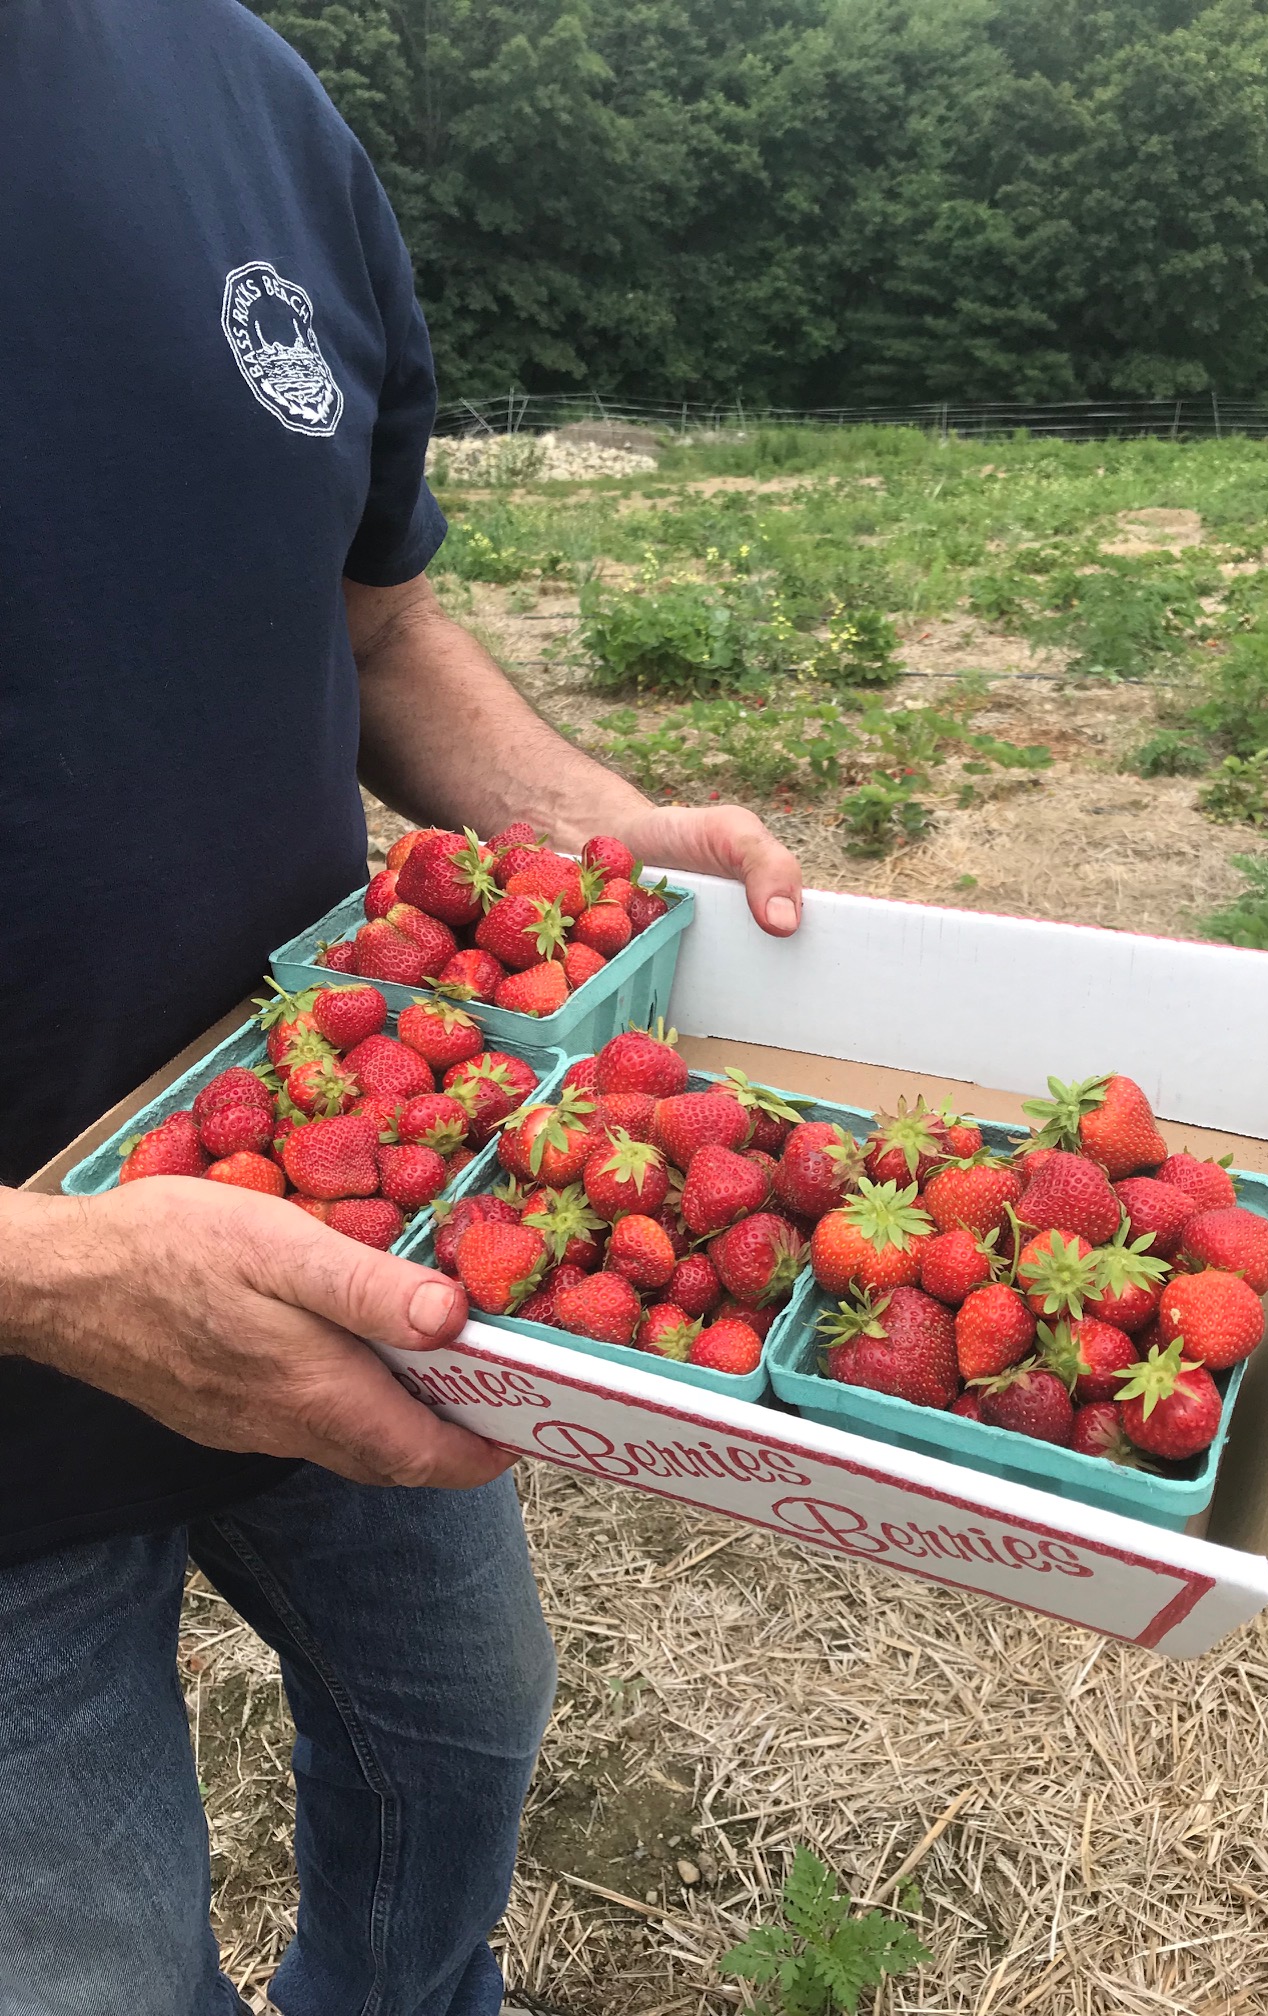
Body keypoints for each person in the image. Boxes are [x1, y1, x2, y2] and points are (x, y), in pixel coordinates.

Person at [0, 6, 802, 2013]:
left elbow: (378, 626)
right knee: (93, 1976)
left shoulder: (244, 98)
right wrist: (50, 1269)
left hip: (372, 1230)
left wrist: (602, 833)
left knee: (460, 1742)